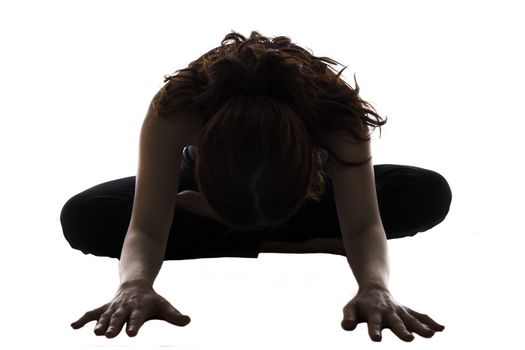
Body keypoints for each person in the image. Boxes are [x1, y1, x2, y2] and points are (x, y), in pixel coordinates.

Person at [60, 30, 452, 342]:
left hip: (304, 189)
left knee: (426, 192)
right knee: (84, 217)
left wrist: (374, 285)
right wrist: (134, 283)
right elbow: (144, 226)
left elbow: (364, 224)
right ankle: (302, 235)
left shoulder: (337, 116)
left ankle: (216, 214)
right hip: (207, 184)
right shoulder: (177, 111)